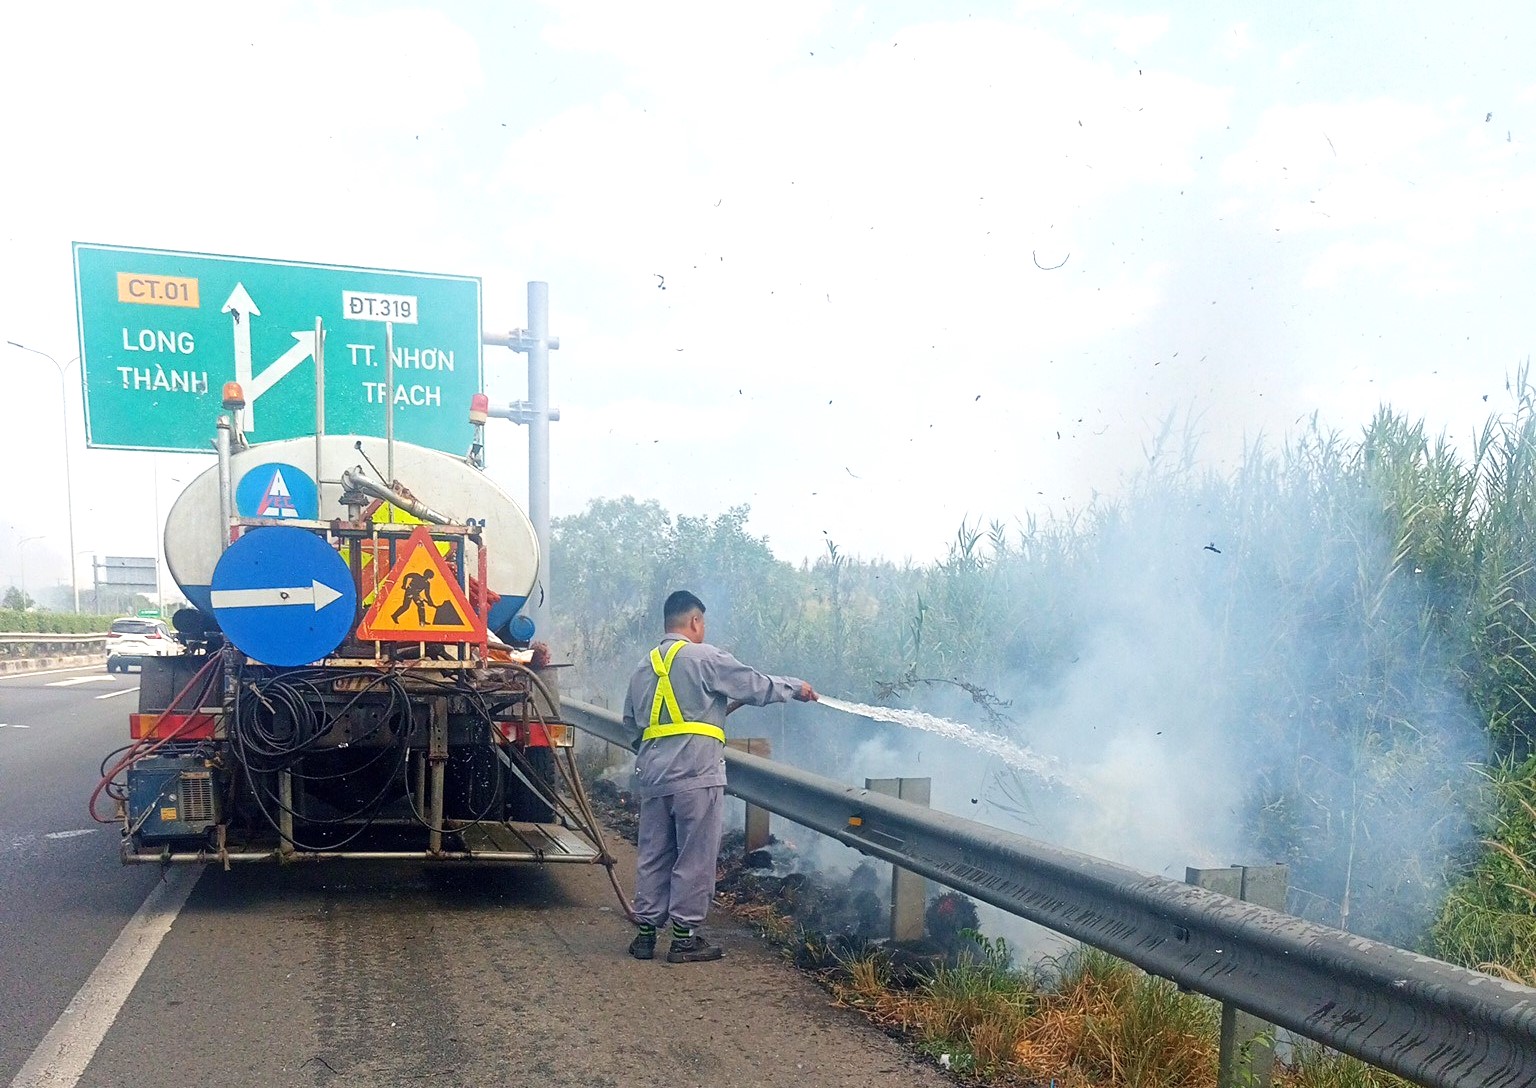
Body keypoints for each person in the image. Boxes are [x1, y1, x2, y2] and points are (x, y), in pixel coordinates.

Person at [622, 590, 817, 963]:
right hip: (697, 776)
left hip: (654, 778)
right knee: (694, 858)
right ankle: (683, 938)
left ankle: (645, 937)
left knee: (653, 854)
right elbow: (756, 684)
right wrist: (796, 688)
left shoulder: (642, 668)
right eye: (703, 623)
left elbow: (634, 728)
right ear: (695, 621)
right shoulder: (704, 657)